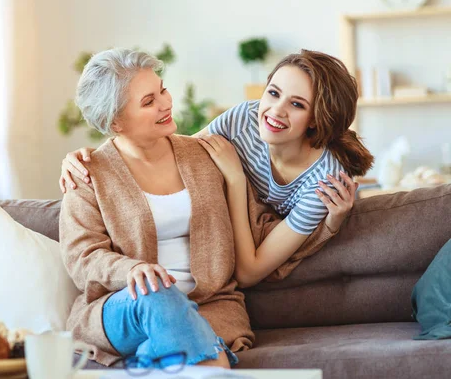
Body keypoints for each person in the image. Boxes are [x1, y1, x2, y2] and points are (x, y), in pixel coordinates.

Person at [59, 49, 370, 287]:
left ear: (317, 117)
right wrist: (98, 156)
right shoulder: (243, 120)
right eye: (273, 93)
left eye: (297, 104)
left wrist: (235, 181)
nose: (276, 111)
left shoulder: (322, 182)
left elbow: (248, 272)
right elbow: (177, 152)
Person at [59, 48, 253, 369]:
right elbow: (83, 258)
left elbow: (261, 207)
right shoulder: (87, 173)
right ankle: (210, 364)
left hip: (209, 306)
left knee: (170, 325)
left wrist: (329, 218)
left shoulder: (204, 154)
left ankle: (155, 352)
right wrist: (131, 271)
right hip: (128, 308)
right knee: (156, 290)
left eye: (162, 89)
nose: (166, 103)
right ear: (115, 121)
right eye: (149, 101)